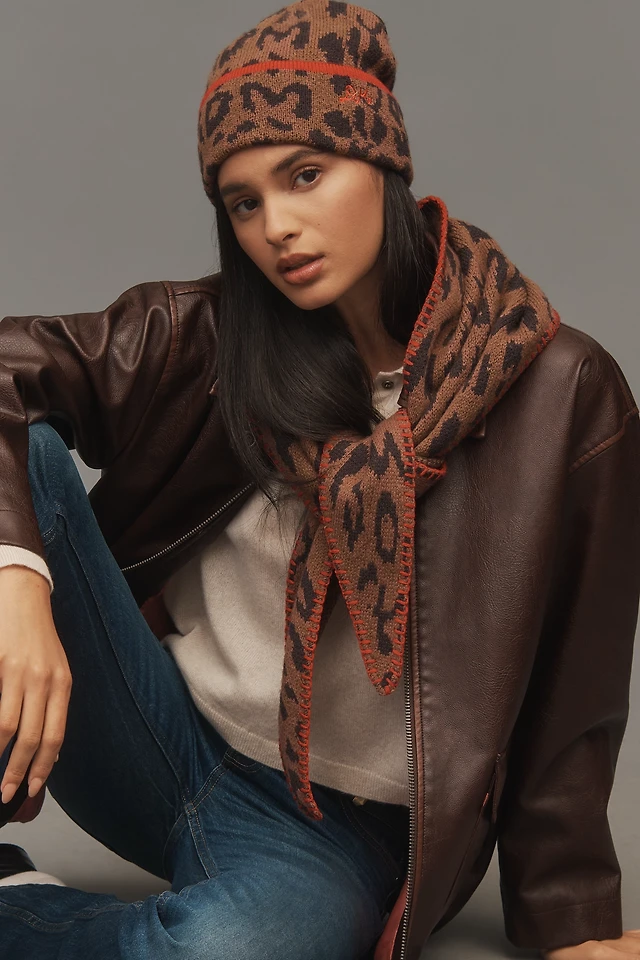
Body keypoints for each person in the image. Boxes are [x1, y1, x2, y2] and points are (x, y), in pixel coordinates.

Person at [0, 1, 639, 958]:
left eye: (305, 175)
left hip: (338, 835)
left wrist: (569, 921)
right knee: (21, 474)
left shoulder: (561, 393)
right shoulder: (211, 338)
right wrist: (17, 584)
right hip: (153, 730)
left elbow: (575, 692)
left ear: (382, 161)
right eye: (244, 203)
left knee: (227, 951)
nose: (278, 228)